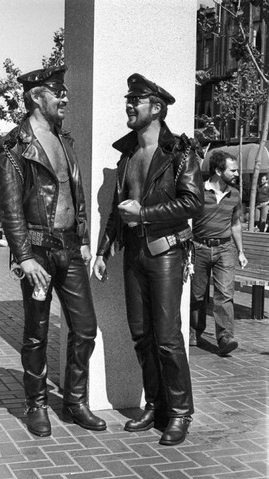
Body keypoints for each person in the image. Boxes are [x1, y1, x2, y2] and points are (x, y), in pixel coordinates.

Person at [0, 64, 106, 438]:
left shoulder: (64, 141)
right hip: (37, 252)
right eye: (59, 92)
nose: (65, 98)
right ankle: (36, 403)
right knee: (36, 332)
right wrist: (24, 257)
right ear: (37, 97)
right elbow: (8, 208)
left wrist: (85, 237)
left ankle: (74, 402)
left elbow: (77, 193)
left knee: (85, 328)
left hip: (70, 248)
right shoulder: (13, 147)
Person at [93, 73, 203, 446]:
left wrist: (143, 214)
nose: (128, 105)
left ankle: (180, 413)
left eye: (135, 100)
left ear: (155, 108)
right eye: (128, 99)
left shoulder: (180, 153)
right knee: (141, 335)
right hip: (134, 254)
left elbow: (192, 204)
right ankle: (155, 405)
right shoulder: (127, 156)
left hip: (167, 253)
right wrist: (102, 251)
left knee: (168, 337)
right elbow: (115, 210)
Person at [189, 150, 248, 354]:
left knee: (225, 294)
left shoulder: (235, 194)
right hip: (199, 247)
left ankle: (225, 338)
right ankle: (194, 331)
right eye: (232, 170)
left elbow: (235, 224)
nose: (237, 173)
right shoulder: (197, 190)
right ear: (217, 170)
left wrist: (240, 251)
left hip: (225, 249)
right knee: (197, 295)